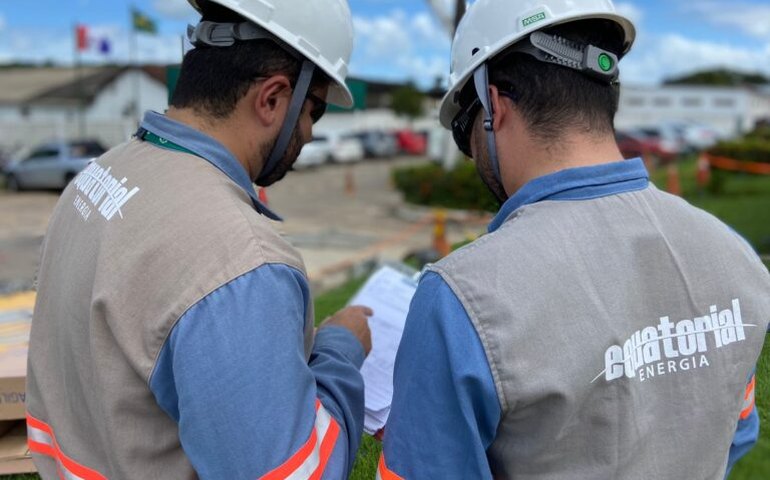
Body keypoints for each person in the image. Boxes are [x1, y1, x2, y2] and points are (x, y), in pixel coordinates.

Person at [379, 0, 770, 478]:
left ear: (494, 106)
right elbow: (738, 427)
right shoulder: (734, 254)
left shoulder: (462, 297)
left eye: (464, 134)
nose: (470, 154)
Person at [26, 0, 373, 478]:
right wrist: (339, 350)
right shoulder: (239, 263)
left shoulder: (96, 177)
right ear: (272, 98)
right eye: (313, 110)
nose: (311, 133)